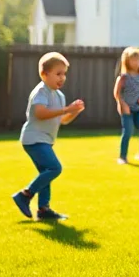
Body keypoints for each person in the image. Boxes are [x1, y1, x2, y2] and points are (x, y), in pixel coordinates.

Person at [12, 52, 85, 221]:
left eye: (64, 74)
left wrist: (73, 112)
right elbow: (40, 113)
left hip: (44, 140)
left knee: (46, 172)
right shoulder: (41, 91)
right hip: (34, 139)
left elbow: (62, 120)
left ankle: (44, 210)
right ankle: (25, 195)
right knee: (54, 168)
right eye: (58, 73)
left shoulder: (59, 95)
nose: (62, 78)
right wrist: (66, 109)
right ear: (44, 74)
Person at [114, 46, 139, 163]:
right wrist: (123, 105)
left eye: (138, 60)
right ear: (127, 61)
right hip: (126, 109)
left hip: (138, 108)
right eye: (133, 60)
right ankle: (122, 156)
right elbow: (117, 94)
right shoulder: (123, 77)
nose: (136, 62)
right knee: (128, 132)